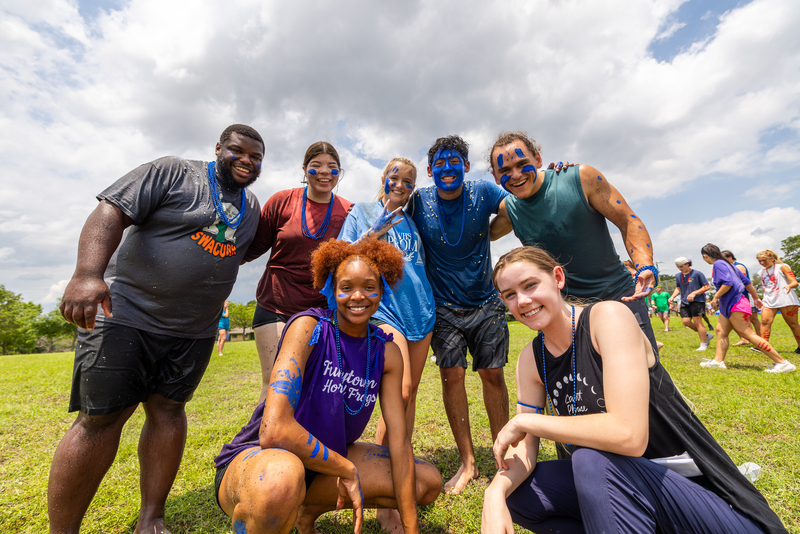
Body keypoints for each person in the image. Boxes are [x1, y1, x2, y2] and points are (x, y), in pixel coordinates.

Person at [481, 246, 788, 534]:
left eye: (530, 285)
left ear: (558, 278)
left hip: (701, 499)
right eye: (509, 295)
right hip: (620, 492)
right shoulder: (531, 359)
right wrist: (495, 491)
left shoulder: (607, 318)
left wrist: (525, 421)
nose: (522, 301)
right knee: (521, 494)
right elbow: (524, 447)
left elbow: (628, 436)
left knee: (590, 459)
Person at [51, 125, 264, 534]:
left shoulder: (250, 206)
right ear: (218, 148)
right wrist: (86, 273)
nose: (247, 161)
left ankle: (151, 518)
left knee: (168, 412)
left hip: (193, 331)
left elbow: (242, 250)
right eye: (238, 151)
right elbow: (110, 210)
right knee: (100, 419)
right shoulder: (172, 172)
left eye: (256, 157)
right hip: (127, 315)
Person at [214, 238, 442, 534]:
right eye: (346, 287)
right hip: (262, 462)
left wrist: (412, 530)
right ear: (332, 290)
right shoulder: (309, 328)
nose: (358, 296)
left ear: (382, 291)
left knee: (426, 482)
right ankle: (276, 506)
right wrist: (345, 468)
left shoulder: (386, 352)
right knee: (282, 480)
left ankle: (305, 511)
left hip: (320, 466)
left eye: (369, 287)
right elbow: (274, 431)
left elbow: (398, 444)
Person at [486, 131, 660, 352]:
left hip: (618, 295)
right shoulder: (509, 209)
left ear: (538, 159)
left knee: (643, 375)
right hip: (564, 311)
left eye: (523, 164)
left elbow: (628, 220)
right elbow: (481, 235)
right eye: (505, 171)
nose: (516, 175)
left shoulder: (580, 178)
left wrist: (644, 264)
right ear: (495, 176)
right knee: (581, 384)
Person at [407, 134, 510, 495]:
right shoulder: (418, 201)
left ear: (465, 166)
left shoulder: (483, 191)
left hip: (486, 302)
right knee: (452, 376)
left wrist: (492, 230)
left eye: (454, 162)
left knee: (493, 375)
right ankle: (468, 463)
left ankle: (503, 458)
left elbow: (518, 204)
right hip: (443, 306)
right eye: (439, 163)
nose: (447, 168)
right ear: (430, 170)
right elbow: (388, 216)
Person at [244, 142, 352, 403]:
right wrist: (216, 256)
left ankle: (303, 442)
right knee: (275, 382)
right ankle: (261, 441)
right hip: (275, 304)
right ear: (305, 170)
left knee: (311, 382)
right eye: (316, 166)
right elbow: (254, 247)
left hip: (320, 310)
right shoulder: (281, 201)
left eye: (332, 167)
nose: (324, 172)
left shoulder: (349, 211)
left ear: (339, 172)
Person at [698, 244, 795, 372]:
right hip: (728, 304)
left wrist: (715, 297)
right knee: (720, 331)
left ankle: (782, 363)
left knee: (747, 334)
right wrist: (756, 298)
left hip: (735, 303)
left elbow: (728, 283)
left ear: (705, 256)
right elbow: (747, 282)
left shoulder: (718, 264)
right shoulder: (729, 264)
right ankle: (718, 361)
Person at [756, 249, 800, 357]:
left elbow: (795, 282)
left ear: (772, 259)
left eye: (764, 260)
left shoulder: (782, 267)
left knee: (793, 324)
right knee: (765, 321)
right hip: (769, 300)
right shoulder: (761, 272)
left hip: (786, 299)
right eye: (760, 261)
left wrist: (789, 286)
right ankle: (763, 346)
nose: (762, 263)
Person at [671, 257, 714, 351]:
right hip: (684, 301)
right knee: (685, 322)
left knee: (697, 321)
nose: (679, 268)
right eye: (678, 267)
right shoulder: (678, 275)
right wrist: (672, 297)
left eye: (681, 266)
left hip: (697, 300)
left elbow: (707, 287)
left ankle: (703, 344)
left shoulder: (697, 274)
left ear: (687, 264)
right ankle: (706, 335)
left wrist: (694, 293)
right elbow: (678, 288)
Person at [721, 250, 762, 345]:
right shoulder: (729, 267)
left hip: (745, 295)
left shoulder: (738, 266)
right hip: (736, 296)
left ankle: (761, 339)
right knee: (736, 319)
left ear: (730, 257)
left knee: (753, 319)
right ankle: (744, 339)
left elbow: (741, 281)